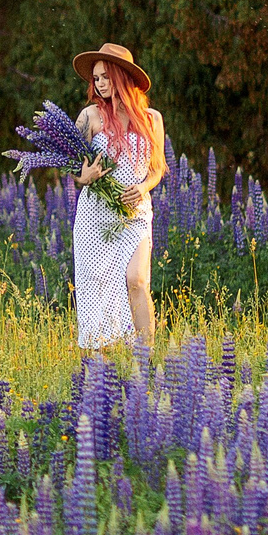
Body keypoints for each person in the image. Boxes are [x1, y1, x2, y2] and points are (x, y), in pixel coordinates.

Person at [70, 43, 167, 354]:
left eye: (106, 77)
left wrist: (144, 187)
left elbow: (157, 169)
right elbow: (72, 167)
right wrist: (84, 177)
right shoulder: (90, 116)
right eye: (96, 78)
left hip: (135, 213)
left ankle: (146, 358)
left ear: (122, 76)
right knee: (97, 284)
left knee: (137, 280)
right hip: (95, 215)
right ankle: (101, 360)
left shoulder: (152, 119)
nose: (99, 84)